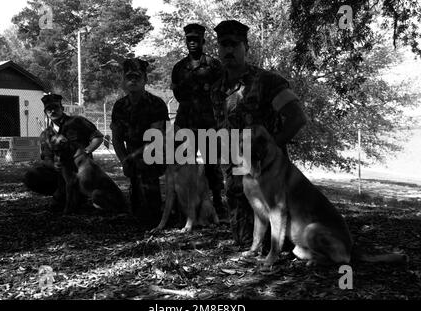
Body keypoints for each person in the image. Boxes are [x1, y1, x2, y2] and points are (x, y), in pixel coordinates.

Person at [211, 20, 307, 247]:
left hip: (266, 172)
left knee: (281, 242)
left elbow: (297, 118)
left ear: (246, 47)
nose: (229, 50)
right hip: (234, 171)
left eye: (234, 44)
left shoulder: (267, 82)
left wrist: (272, 147)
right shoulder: (217, 89)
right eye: (223, 45)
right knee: (244, 241)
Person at [171, 23, 226, 216]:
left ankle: (217, 202)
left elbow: (221, 93)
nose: (192, 43)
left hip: (208, 121)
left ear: (203, 41)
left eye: (196, 40)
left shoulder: (214, 65)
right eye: (189, 40)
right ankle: (185, 205)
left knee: (212, 163)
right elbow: (177, 93)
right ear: (185, 42)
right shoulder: (179, 67)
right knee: (183, 163)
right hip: (186, 121)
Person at [110, 58, 169, 227]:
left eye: (137, 76)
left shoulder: (156, 103)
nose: (133, 80)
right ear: (123, 80)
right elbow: (117, 138)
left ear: (145, 79)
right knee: (136, 202)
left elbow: (156, 137)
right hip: (131, 156)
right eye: (129, 76)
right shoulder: (119, 106)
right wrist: (124, 160)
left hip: (153, 153)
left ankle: (155, 215)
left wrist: (135, 158)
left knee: (150, 202)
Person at [23, 93, 104, 211]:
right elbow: (46, 158)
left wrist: (86, 151)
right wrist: (53, 165)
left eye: (55, 107)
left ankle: (81, 196)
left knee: (76, 205)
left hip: (82, 171)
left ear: (62, 108)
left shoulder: (77, 122)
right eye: (48, 109)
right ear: (45, 112)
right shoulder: (45, 134)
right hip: (62, 174)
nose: (52, 111)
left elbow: (97, 137)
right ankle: (61, 194)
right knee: (31, 176)